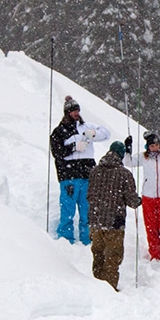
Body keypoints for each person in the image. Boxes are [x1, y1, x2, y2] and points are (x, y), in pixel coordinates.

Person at [49, 95, 110, 245]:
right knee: (68, 209)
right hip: (69, 175)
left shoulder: (86, 127)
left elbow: (106, 133)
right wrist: (74, 148)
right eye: (73, 111)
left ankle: (88, 238)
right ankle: (65, 239)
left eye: (77, 110)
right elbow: (57, 152)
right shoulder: (59, 131)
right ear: (66, 113)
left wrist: (94, 134)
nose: (76, 114)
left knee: (87, 209)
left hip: (87, 173)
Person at [86, 140, 142, 290]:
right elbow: (131, 200)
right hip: (114, 222)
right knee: (112, 257)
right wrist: (138, 201)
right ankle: (109, 290)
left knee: (98, 255)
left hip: (95, 220)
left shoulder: (94, 171)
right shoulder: (124, 174)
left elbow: (89, 195)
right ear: (121, 155)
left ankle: (96, 287)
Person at [122, 132, 160, 261]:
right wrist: (128, 150)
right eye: (152, 146)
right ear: (148, 147)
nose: (155, 148)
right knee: (151, 227)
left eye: (157, 145)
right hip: (148, 197)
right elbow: (128, 162)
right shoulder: (143, 157)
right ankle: (156, 254)